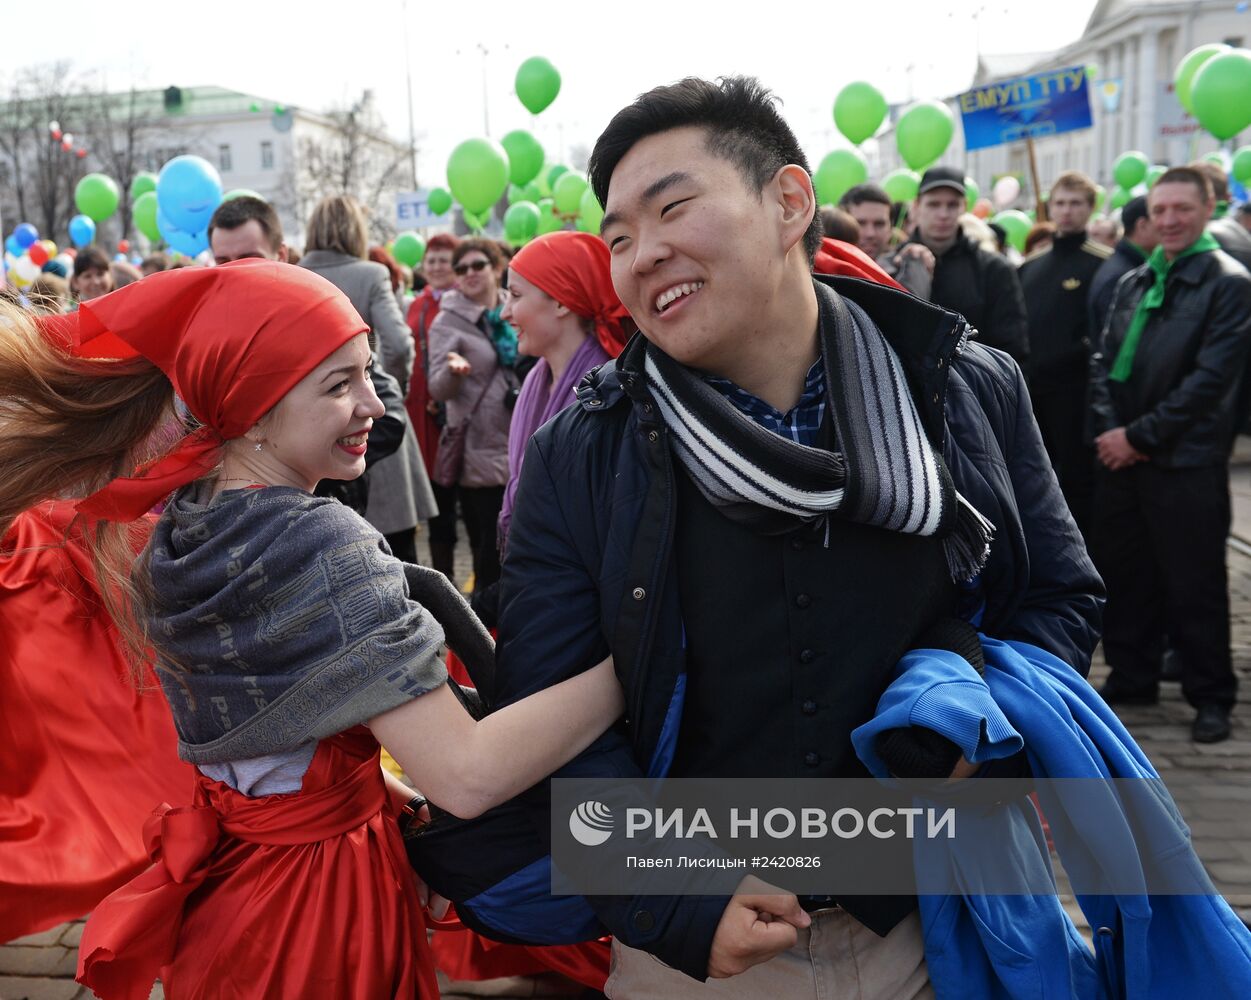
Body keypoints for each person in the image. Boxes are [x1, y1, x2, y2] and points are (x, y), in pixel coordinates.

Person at [485, 76, 1100, 997]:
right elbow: (544, 708)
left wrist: (981, 724)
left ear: (788, 202)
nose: (643, 255)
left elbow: (1057, 595)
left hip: (948, 918)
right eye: (616, 238)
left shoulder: (961, 387)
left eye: (673, 208)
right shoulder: (580, 453)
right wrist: (674, 897)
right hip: (701, 953)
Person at [0, 261, 624, 999]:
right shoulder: (321, 542)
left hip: (234, 904)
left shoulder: (179, 529)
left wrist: (378, 793)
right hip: (326, 911)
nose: (373, 405)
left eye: (367, 374)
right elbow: (468, 774)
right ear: (254, 408)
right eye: (338, 385)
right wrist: (628, 664)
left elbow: (279, 735)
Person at [1090, 166, 1251, 745]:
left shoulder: (1229, 282)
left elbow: (1210, 383)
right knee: (1128, 578)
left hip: (1187, 462)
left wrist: (1138, 437)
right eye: (1160, 210)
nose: (1170, 220)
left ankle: (1211, 695)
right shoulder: (1135, 281)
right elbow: (1103, 366)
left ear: (1209, 209)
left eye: (1182, 208)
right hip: (1124, 461)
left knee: (1196, 584)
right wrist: (1112, 432)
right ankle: (1132, 677)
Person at [208, 196, 412, 520]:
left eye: (249, 257)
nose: (237, 272)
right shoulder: (209, 337)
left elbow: (386, 405)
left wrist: (333, 451)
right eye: (223, 261)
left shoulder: (308, 311)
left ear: (281, 256)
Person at [301, 195, 435, 564]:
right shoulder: (371, 273)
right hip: (373, 421)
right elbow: (398, 341)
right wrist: (388, 388)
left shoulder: (295, 274)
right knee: (400, 555)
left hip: (313, 426)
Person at [1018, 171, 1111, 538]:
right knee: (1032, 476)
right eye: (1060, 203)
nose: (1067, 211)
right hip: (1032, 388)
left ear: (1090, 209)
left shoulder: (1104, 264)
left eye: (1076, 203)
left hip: (1076, 394)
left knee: (1075, 481)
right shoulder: (1030, 267)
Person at [427, 238, 516, 593]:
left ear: (497, 268)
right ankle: (483, 636)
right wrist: (452, 370)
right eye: (461, 268)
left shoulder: (514, 308)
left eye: (477, 265)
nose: (469, 274)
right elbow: (437, 389)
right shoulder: (448, 320)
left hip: (522, 440)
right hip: (479, 450)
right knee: (488, 555)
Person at [904, 166, 1029, 365]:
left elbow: (1011, 348)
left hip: (974, 388)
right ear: (918, 205)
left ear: (964, 206)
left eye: (952, 205)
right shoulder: (895, 263)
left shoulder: (994, 269)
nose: (943, 214)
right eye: (934, 204)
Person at [406, 233, 460, 579]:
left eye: (445, 259)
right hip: (419, 415)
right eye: (432, 260)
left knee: (457, 498)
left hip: (454, 413)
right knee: (435, 500)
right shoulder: (415, 304)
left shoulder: (463, 302)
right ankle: (443, 580)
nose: (438, 266)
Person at [839, 183, 933, 297]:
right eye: (860, 223)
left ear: (890, 227)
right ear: (843, 224)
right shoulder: (819, 272)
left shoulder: (905, 268)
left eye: (879, 224)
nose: (870, 233)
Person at [1089, 195, 1157, 335]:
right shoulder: (1123, 276)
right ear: (1142, 225)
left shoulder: (1131, 266)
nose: (1168, 223)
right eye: (1159, 214)